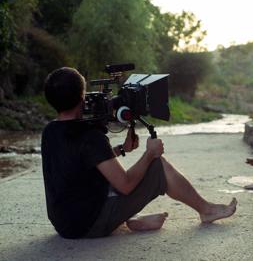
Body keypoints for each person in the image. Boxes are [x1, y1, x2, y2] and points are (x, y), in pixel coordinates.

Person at [41, 67, 237, 239]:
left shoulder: (50, 131)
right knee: (158, 166)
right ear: (82, 97)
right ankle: (206, 210)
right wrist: (149, 154)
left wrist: (121, 150)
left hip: (64, 224)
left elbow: (79, 163)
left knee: (106, 179)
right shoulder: (91, 137)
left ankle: (129, 219)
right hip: (89, 225)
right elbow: (125, 185)